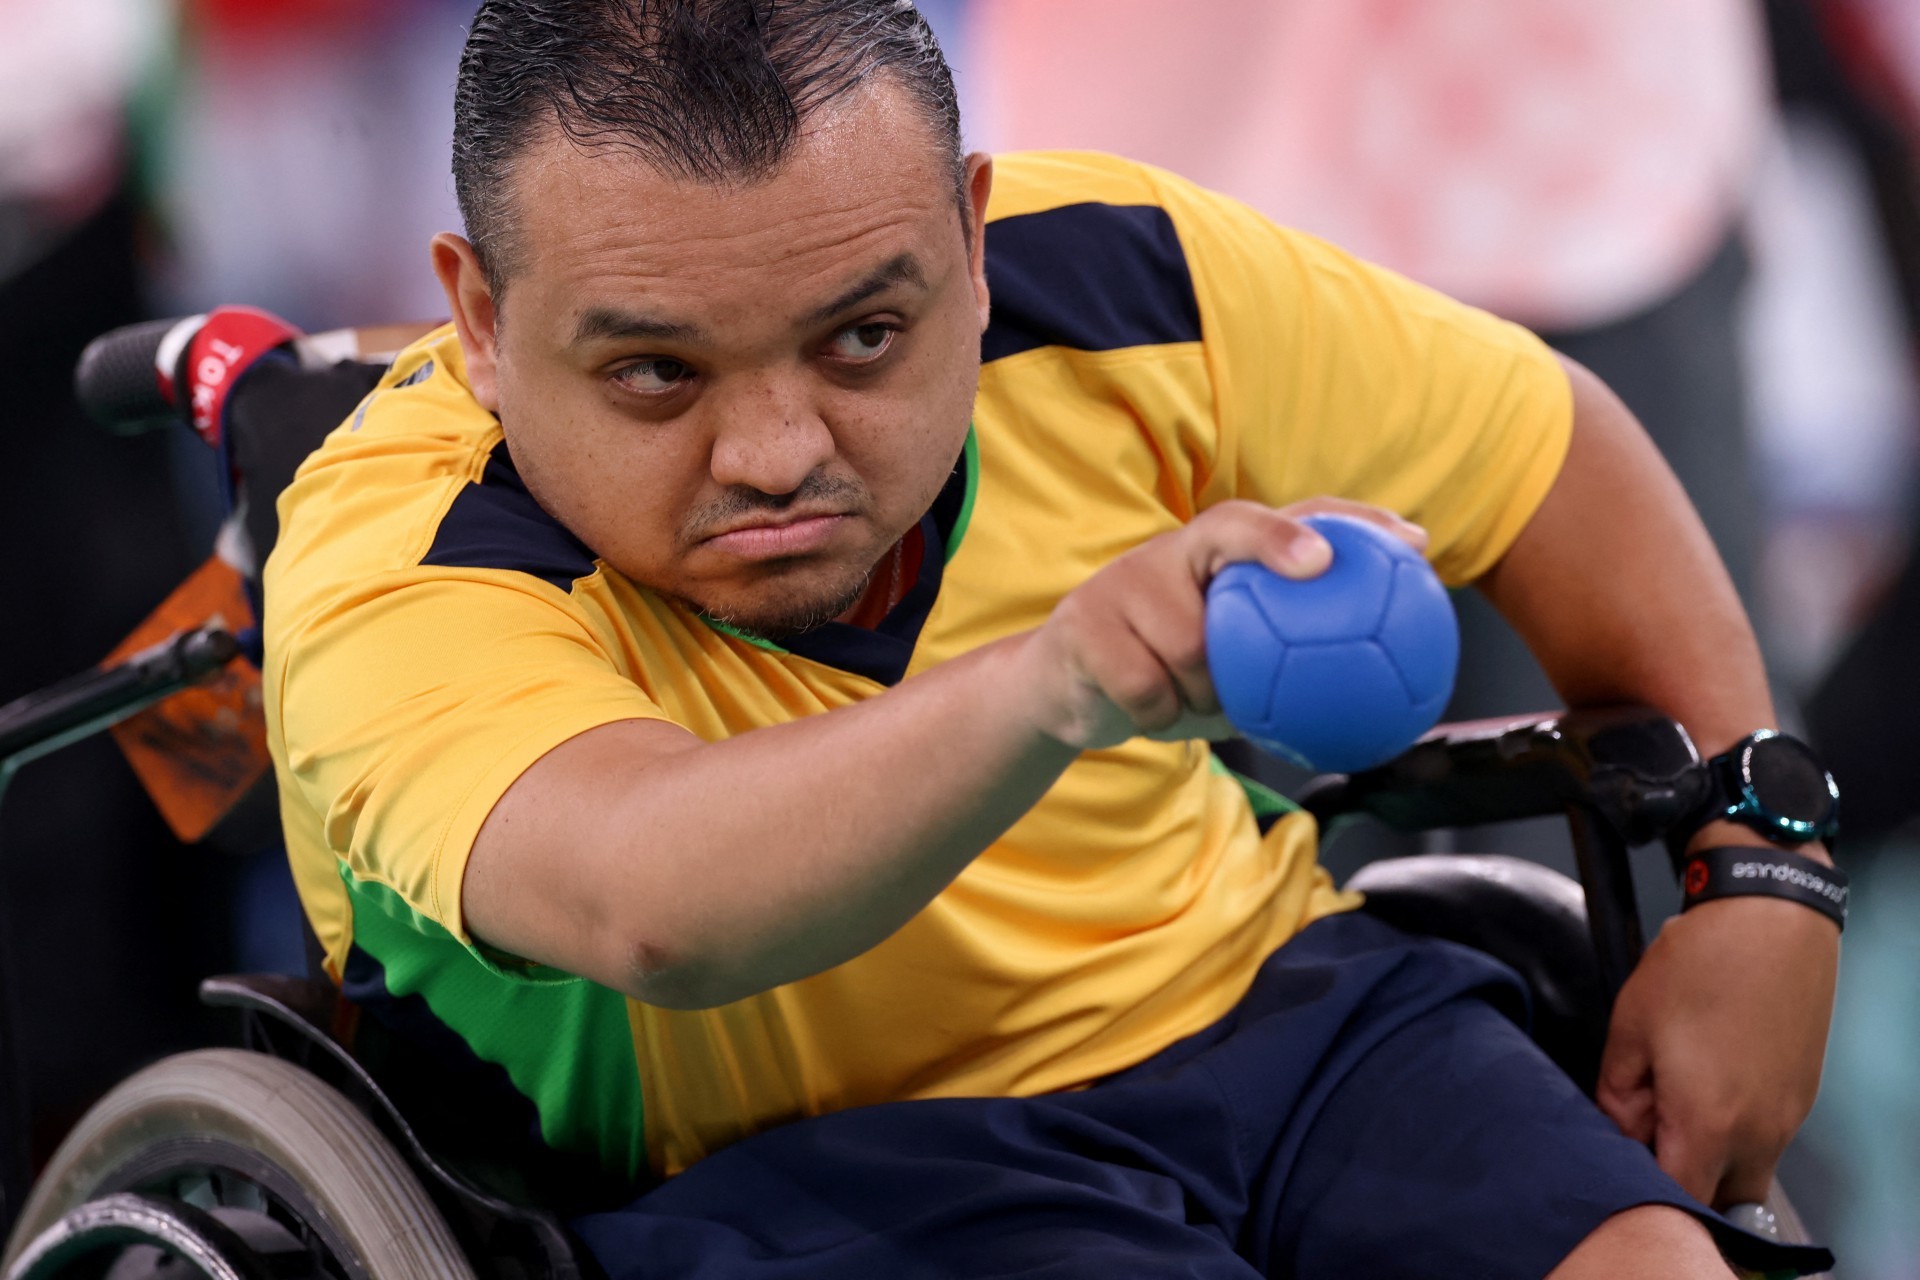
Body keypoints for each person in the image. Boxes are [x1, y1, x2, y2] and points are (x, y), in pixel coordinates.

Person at [262, 2, 1841, 1276]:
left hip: (1275, 1011)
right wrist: (1058, 682)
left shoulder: (1124, 273)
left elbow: (1543, 451)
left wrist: (1762, 858)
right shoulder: (397, 557)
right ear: (476, 319)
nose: (775, 452)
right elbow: (652, 900)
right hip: (828, 1172)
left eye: (864, 336)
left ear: (971, 232)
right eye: (658, 377)